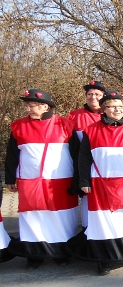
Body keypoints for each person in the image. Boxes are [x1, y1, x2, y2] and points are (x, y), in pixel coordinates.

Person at [66, 90, 123, 276]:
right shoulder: (91, 131)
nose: (117, 110)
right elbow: (83, 158)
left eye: (120, 107)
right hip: (101, 185)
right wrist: (83, 181)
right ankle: (104, 259)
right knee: (104, 221)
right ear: (104, 109)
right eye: (113, 107)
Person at [5, 89, 79, 269]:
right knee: (33, 216)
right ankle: (34, 255)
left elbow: (77, 155)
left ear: (45, 106)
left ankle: (61, 252)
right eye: (28, 105)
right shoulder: (18, 126)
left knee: (59, 217)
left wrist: (78, 180)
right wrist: (10, 178)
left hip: (60, 181)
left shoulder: (65, 125)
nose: (29, 109)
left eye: (33, 105)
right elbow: (12, 155)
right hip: (30, 180)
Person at [67, 80, 107, 228]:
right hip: (83, 164)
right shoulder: (74, 116)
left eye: (97, 94)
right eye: (89, 94)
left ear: (104, 96)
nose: (93, 97)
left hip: (105, 165)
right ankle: (87, 229)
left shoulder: (113, 112)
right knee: (87, 199)